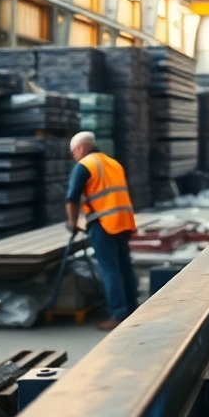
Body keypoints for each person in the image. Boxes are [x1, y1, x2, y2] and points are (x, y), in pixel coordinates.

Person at [65, 131, 138, 330]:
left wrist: (72, 225)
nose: (74, 157)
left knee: (110, 271)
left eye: (73, 153)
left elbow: (71, 199)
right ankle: (133, 309)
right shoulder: (113, 163)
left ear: (80, 148)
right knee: (125, 268)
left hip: (103, 224)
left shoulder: (85, 166)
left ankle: (118, 314)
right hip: (123, 221)